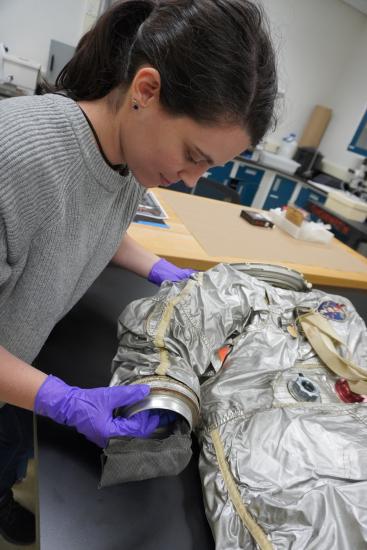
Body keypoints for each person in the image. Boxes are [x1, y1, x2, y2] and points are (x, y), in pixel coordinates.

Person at [0, 0, 277, 545]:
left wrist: (158, 268)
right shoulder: (18, 152)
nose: (194, 179)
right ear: (145, 91)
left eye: (211, 167)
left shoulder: (129, 158)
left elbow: (88, 216)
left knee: (12, 451)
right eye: (193, 155)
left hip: (18, 370)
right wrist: (65, 400)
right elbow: (47, 200)